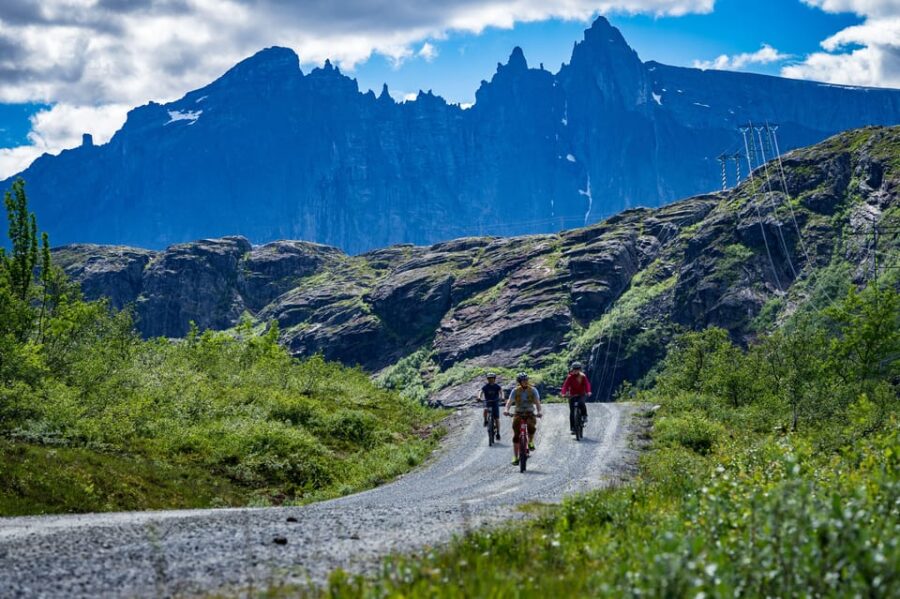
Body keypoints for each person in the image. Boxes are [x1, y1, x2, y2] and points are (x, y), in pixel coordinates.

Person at [503, 372, 543, 466]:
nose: (525, 381)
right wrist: (506, 410)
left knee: (531, 427)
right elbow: (510, 402)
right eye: (523, 380)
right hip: (518, 413)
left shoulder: (533, 390)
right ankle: (515, 457)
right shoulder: (515, 391)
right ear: (519, 382)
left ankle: (530, 442)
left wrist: (539, 411)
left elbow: (537, 402)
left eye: (526, 380)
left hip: (529, 412)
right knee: (516, 435)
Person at [561, 361, 591, 435]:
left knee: (581, 403)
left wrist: (588, 392)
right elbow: (565, 386)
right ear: (572, 369)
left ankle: (584, 415)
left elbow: (587, 385)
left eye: (577, 369)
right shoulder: (570, 377)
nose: (576, 370)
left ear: (580, 369)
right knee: (572, 412)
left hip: (581, 394)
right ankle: (573, 428)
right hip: (572, 395)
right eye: (574, 369)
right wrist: (563, 393)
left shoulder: (582, 376)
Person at [480, 372, 503, 441]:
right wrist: (479, 397)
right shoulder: (485, 386)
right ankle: (485, 421)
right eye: (489, 378)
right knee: (485, 410)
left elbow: (501, 391)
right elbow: (481, 392)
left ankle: (498, 433)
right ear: (487, 379)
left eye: (492, 378)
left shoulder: (497, 386)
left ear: (494, 379)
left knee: (497, 418)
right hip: (488, 402)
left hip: (495, 402)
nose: (491, 380)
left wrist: (502, 397)